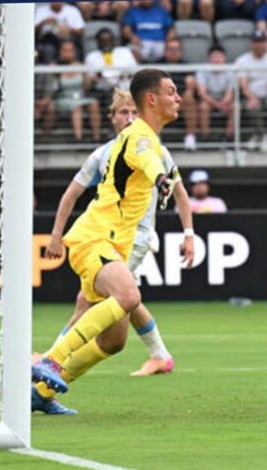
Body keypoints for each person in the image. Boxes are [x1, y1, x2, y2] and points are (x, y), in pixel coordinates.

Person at [32, 89, 195, 415]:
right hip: (101, 238)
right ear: (113, 118)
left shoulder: (154, 145)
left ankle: (39, 391)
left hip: (126, 241)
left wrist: (188, 232)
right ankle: (49, 360)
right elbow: (143, 162)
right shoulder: (120, 147)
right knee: (122, 297)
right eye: (123, 112)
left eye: (132, 112)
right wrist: (55, 235)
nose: (129, 118)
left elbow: (175, 185)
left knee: (113, 340)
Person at [235, 31, 267, 152]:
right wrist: (251, 98)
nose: (259, 45)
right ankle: (263, 136)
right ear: (252, 44)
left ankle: (262, 135)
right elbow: (243, 85)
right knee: (253, 109)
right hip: (251, 96)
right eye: (256, 42)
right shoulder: (242, 60)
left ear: (266, 43)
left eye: (262, 42)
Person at [55, 41, 102, 142]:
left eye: (70, 50)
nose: (68, 53)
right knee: (77, 107)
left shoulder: (81, 66)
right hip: (63, 98)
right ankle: (78, 138)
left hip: (80, 97)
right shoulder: (55, 67)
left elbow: (86, 86)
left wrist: (93, 79)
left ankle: (96, 137)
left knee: (94, 103)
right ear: (60, 52)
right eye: (65, 50)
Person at [85, 27, 138, 107]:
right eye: (103, 41)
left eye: (109, 40)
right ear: (98, 42)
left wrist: (125, 75)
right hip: (102, 92)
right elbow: (88, 81)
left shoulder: (125, 52)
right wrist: (96, 77)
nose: (106, 44)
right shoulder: (91, 57)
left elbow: (135, 72)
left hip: (124, 90)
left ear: (114, 41)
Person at [163, 38, 199, 151]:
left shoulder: (186, 66)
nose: (173, 52)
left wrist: (188, 92)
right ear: (165, 51)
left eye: (176, 49)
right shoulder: (157, 65)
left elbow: (190, 82)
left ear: (181, 51)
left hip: (179, 102)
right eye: (170, 49)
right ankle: (153, 137)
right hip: (160, 101)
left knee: (190, 100)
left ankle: (190, 137)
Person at [196, 45, 236, 142]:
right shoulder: (202, 70)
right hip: (209, 101)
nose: (217, 60)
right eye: (214, 57)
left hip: (224, 100)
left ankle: (229, 136)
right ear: (209, 59)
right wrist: (217, 105)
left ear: (224, 58)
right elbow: (202, 93)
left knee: (235, 106)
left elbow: (230, 93)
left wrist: (224, 102)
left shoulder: (231, 71)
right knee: (203, 106)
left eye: (220, 57)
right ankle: (205, 136)